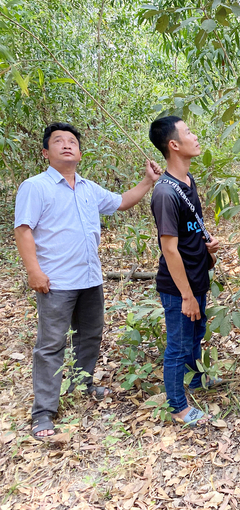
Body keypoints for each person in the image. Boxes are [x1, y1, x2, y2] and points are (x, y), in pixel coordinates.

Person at [14, 122, 162, 439]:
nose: (67, 145)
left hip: (89, 278)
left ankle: (83, 385)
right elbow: (23, 229)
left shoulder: (88, 188)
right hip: (56, 281)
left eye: (72, 142)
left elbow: (122, 201)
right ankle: (43, 413)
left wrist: (148, 181)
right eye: (58, 141)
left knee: (90, 336)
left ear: (80, 152)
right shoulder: (35, 187)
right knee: (51, 345)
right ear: (45, 152)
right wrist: (33, 271)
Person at [149, 116, 220, 427]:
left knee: (195, 336)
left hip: (198, 276)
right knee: (178, 346)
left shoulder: (189, 183)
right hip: (180, 287)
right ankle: (178, 406)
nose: (195, 135)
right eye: (189, 131)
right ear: (174, 145)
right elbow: (169, 248)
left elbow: (189, 232)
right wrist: (186, 296)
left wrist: (207, 243)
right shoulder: (165, 193)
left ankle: (195, 381)